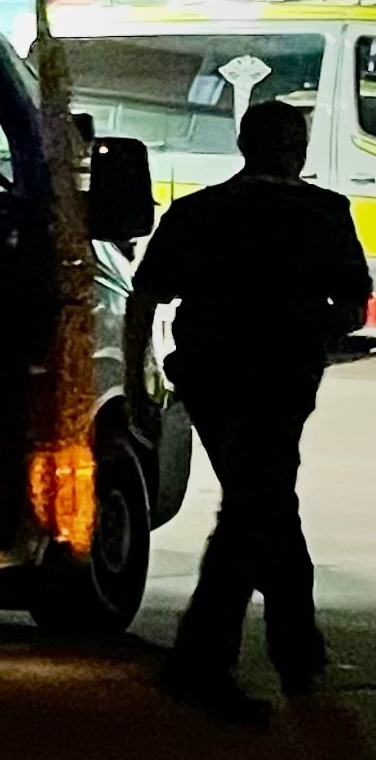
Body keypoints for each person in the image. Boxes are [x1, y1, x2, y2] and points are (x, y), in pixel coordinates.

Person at [125, 100, 372, 721]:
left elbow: (145, 297)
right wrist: (314, 329)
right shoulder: (324, 213)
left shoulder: (197, 212)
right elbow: (353, 304)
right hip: (281, 382)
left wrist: (137, 377)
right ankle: (212, 660)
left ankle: (291, 646)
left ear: (242, 145)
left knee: (259, 503)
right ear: (299, 150)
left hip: (210, 380)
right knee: (256, 506)